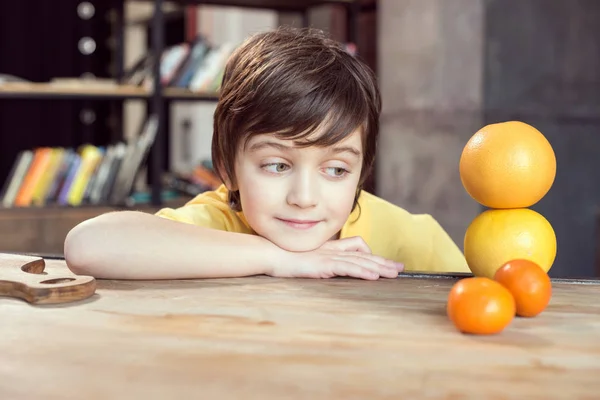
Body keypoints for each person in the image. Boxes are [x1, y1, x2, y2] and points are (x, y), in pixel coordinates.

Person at [63, 27, 470, 281]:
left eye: (336, 169)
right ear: (227, 167)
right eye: (277, 165)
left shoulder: (413, 237)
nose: (304, 197)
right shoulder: (217, 223)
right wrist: (274, 258)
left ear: (362, 171)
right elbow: (89, 246)